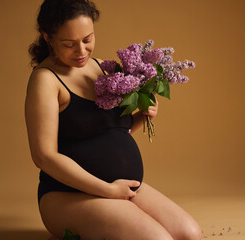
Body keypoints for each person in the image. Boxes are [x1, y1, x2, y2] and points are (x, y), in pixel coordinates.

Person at [25, 0, 202, 239]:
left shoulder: (100, 67)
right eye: (69, 44)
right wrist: (107, 190)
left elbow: (115, 132)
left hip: (119, 187)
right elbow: (44, 157)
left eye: (87, 40)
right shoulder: (46, 80)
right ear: (48, 38)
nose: (81, 51)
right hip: (68, 194)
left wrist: (141, 115)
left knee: (190, 234)